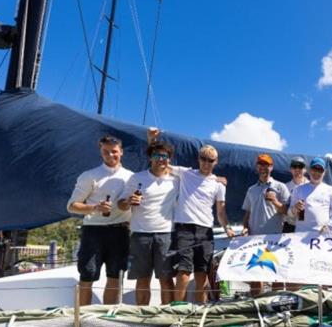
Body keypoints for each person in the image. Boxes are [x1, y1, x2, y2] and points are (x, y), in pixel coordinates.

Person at [148, 128, 234, 304]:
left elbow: (221, 211)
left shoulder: (219, 185)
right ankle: (178, 311)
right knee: (184, 273)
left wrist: (228, 228)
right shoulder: (186, 173)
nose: (206, 163)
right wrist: (152, 141)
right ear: (198, 159)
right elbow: (161, 161)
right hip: (184, 229)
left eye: (210, 160)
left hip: (206, 231)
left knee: (202, 275)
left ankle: (198, 314)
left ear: (216, 162)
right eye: (203, 159)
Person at [67, 135, 133, 305]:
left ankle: (107, 322)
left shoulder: (132, 178)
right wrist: (95, 207)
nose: (110, 155)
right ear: (100, 152)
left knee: (115, 278)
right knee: (87, 276)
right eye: (106, 152)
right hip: (93, 231)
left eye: (114, 151)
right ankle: (81, 321)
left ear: (121, 152)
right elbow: (72, 206)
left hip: (120, 231)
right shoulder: (89, 176)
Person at [118, 141, 178, 305]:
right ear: (150, 158)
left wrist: (217, 178)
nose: (161, 159)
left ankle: (168, 317)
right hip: (140, 235)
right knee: (143, 280)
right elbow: (120, 203)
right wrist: (129, 201)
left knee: (166, 280)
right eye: (156, 155)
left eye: (164, 156)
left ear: (169, 159)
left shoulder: (176, 180)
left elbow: (199, 176)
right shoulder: (137, 178)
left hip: (166, 234)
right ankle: (142, 318)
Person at [242, 153, 291, 296]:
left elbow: (287, 211)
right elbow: (247, 213)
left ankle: (276, 304)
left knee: (276, 274)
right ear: (257, 167)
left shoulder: (280, 187)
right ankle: (256, 305)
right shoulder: (251, 189)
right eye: (260, 164)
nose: (263, 168)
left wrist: (275, 201)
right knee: (255, 274)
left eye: (266, 165)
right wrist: (245, 227)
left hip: (275, 238)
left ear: (272, 167)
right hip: (254, 239)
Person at [290, 157, 332, 233]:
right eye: (314, 169)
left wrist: (329, 226)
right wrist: (294, 209)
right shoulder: (298, 189)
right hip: (300, 235)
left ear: (324, 172)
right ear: (309, 170)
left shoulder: (331, 190)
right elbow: (290, 213)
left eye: (320, 170)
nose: (317, 172)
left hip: (322, 235)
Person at [282, 156, 309, 233]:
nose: (297, 169)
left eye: (300, 166)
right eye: (294, 166)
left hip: (306, 227)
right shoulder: (285, 187)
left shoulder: (312, 186)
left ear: (305, 170)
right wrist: (294, 209)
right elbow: (282, 209)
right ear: (291, 169)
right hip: (289, 226)